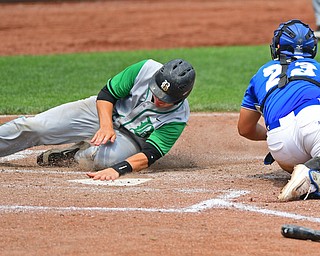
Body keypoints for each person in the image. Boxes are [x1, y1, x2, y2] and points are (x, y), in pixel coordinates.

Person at [0, 58, 196, 181]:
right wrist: (106, 126)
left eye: (166, 99)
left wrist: (118, 170)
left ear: (182, 97)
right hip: (103, 112)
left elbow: (150, 154)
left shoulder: (177, 118)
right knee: (36, 127)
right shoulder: (145, 69)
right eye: (156, 92)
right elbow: (107, 94)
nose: (158, 100)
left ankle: (73, 154)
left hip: (131, 140)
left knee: (104, 159)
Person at [237, 19, 320, 201]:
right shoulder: (318, 68)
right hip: (312, 122)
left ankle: (311, 176)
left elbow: (245, 129)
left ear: (277, 47)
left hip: (280, 146)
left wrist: (275, 133)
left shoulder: (261, 73)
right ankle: (310, 171)